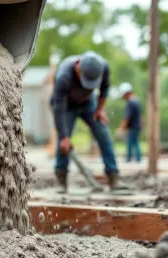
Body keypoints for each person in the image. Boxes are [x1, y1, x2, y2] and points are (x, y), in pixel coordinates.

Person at [50, 51, 127, 193]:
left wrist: (99, 110)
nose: (87, 86)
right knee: (64, 143)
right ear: (78, 66)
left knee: (104, 134)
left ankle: (113, 177)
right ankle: (61, 181)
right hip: (65, 106)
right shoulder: (64, 76)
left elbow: (104, 89)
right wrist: (64, 136)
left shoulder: (104, 67)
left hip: (88, 104)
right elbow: (58, 108)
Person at [117, 82, 142, 163]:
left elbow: (127, 118)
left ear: (126, 93)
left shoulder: (130, 103)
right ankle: (138, 159)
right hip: (137, 126)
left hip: (133, 127)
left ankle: (129, 159)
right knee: (135, 142)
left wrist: (121, 128)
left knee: (130, 143)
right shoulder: (136, 101)